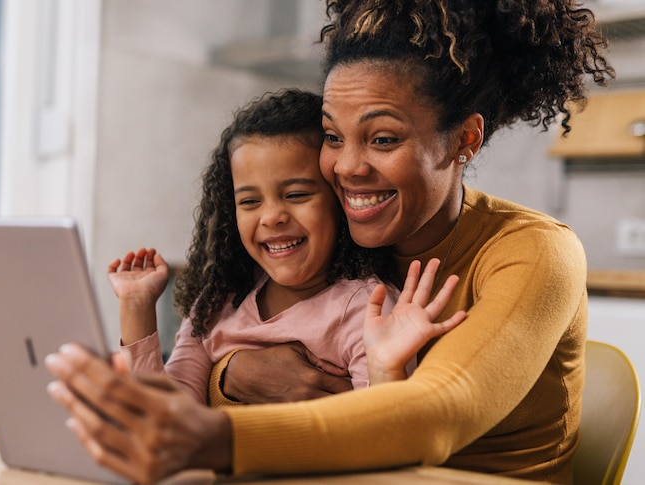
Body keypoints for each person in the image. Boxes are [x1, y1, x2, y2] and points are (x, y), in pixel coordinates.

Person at [44, 0, 614, 483]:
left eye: (383, 138)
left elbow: (435, 411)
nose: (346, 167)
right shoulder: (345, 246)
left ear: (463, 139)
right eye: (333, 137)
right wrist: (230, 372)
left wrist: (220, 428)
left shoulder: (534, 252)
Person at [106, 89, 466, 404]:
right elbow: (167, 414)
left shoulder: (365, 309)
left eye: (296, 195)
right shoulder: (217, 306)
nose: (272, 216)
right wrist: (136, 309)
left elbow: (379, 432)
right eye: (249, 202)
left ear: (340, 202)